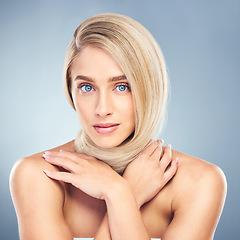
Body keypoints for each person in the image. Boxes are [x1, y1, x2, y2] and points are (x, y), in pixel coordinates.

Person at [10, 13, 227, 240]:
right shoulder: (39, 175)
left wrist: (118, 193)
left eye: (122, 87)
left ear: (149, 89)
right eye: (86, 87)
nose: (102, 109)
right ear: (70, 91)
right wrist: (122, 192)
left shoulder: (200, 182)